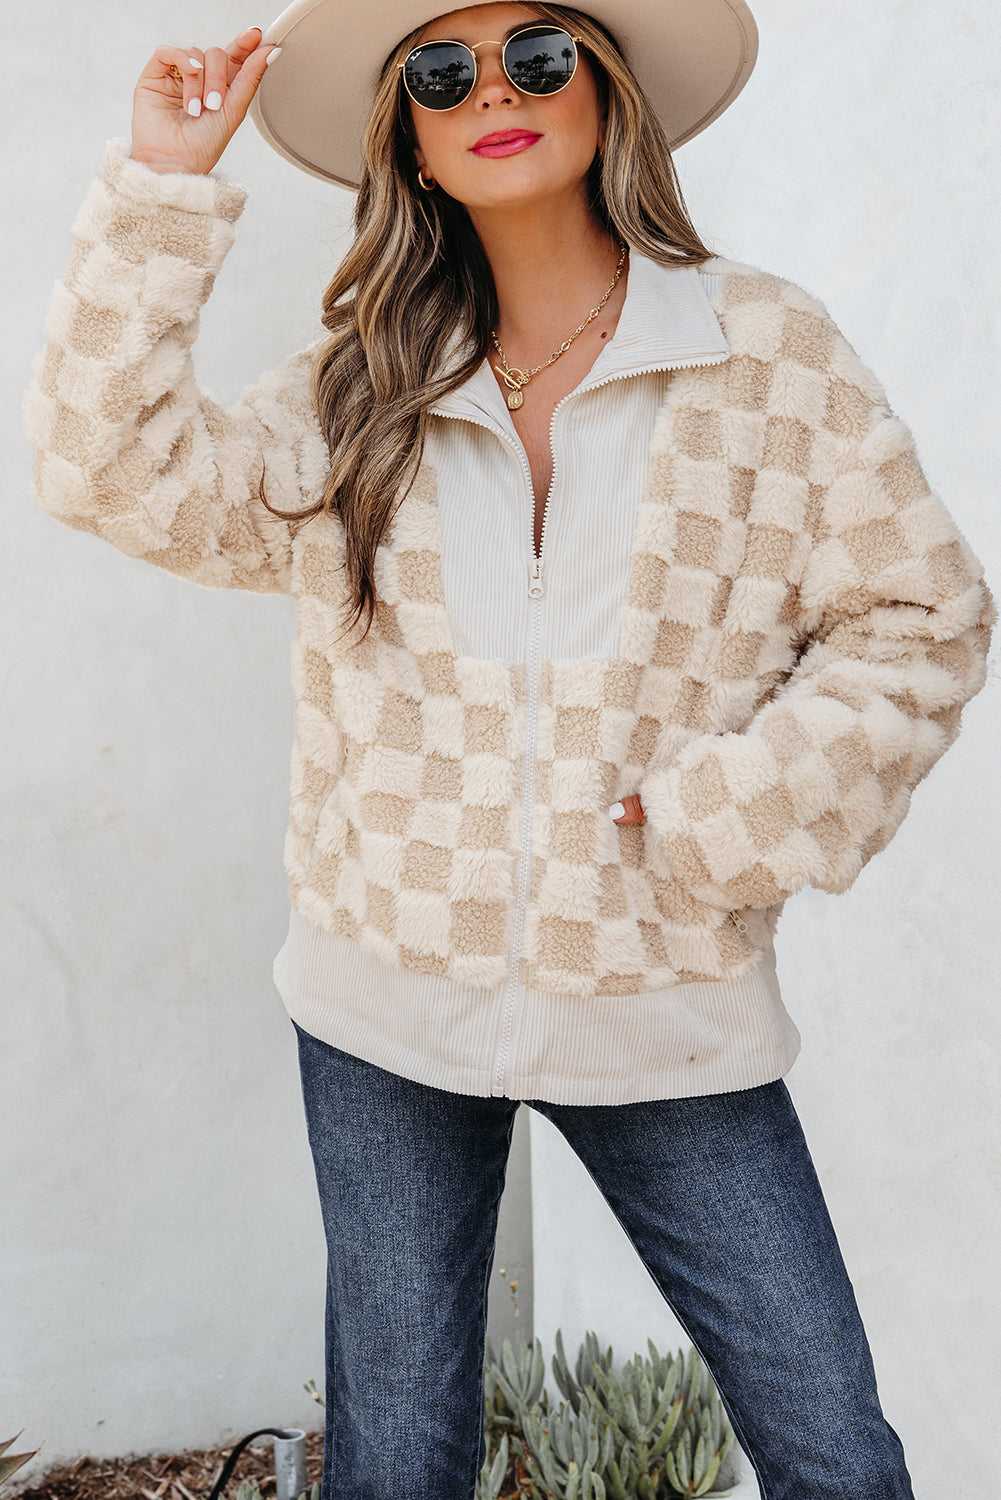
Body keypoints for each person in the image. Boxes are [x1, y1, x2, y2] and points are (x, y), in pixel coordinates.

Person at [22, 2, 995, 1496]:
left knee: (833, 1451)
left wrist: (723, 816)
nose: (493, 91)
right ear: (409, 140)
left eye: (536, 54)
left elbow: (921, 616)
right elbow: (112, 471)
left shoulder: (761, 353)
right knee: (397, 1461)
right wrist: (163, 183)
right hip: (384, 1001)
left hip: (661, 992)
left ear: (604, 92)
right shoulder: (366, 383)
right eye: (442, 71)